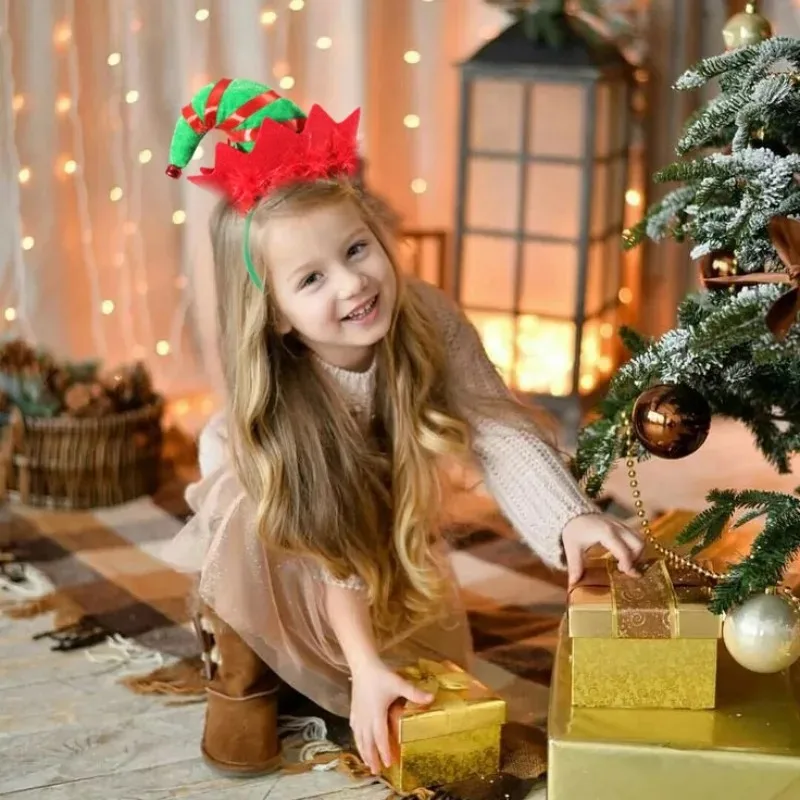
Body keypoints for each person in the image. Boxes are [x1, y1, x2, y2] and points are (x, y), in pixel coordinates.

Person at [161, 78, 644, 778]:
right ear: (275, 314)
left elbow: (493, 426)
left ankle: (334, 656)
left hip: (372, 519)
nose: (352, 285)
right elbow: (329, 542)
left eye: (356, 251)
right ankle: (240, 659)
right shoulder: (284, 397)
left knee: (421, 663)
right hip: (284, 517)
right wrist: (360, 668)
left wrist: (571, 519)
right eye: (312, 279)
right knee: (254, 543)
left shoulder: (429, 322)